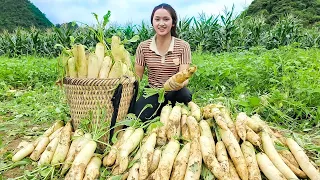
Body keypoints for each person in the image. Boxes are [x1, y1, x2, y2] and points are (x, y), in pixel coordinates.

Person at [132, 3, 193, 122]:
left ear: (173, 23)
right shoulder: (143, 47)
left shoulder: (183, 46)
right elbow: (137, 78)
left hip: (175, 91)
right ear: (152, 22)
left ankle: (168, 109)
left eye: (166, 19)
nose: (161, 23)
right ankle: (160, 109)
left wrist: (180, 84)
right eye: (157, 19)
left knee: (184, 95)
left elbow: (184, 75)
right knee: (139, 118)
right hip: (153, 90)